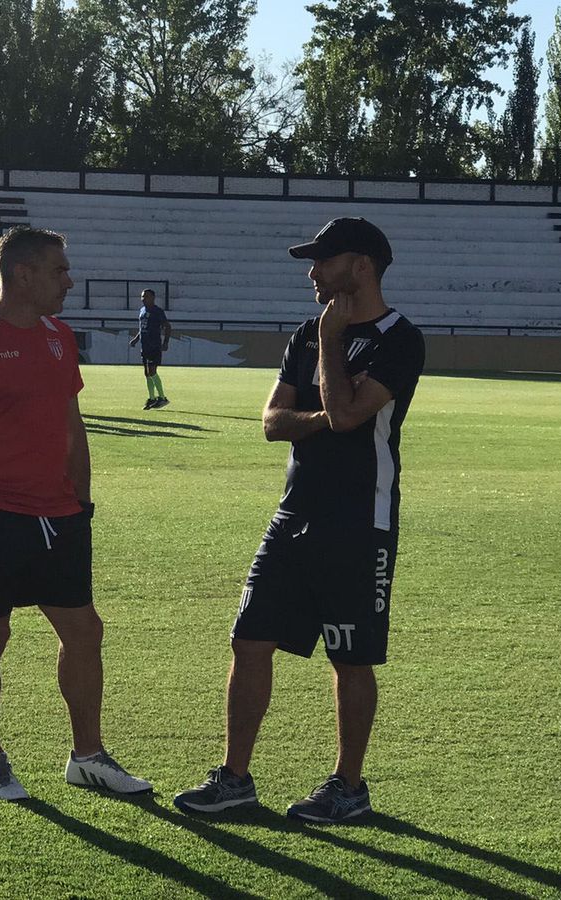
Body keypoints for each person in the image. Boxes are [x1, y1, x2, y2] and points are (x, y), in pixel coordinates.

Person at [174, 217, 425, 824]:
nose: (312, 271)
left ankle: (348, 787)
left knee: (351, 656)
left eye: (323, 260)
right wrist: (321, 407)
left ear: (360, 265)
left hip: (359, 519)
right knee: (249, 639)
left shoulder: (399, 337)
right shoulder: (306, 334)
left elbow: (345, 413)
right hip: (294, 513)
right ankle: (234, 779)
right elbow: (273, 422)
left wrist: (332, 350)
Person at [0, 226, 151, 801]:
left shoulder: (58, 336)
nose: (69, 280)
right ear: (23, 275)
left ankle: (87, 756)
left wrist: (80, 504)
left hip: (60, 516)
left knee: (84, 631)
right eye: (59, 270)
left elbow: (72, 426)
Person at [128, 289, 171, 409]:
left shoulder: (157, 311)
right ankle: (152, 399)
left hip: (154, 345)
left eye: (146, 296)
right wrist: (136, 339)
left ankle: (162, 398)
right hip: (144, 345)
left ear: (153, 297)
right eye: (142, 297)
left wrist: (166, 342)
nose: (143, 299)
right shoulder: (142, 311)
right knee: (147, 373)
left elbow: (167, 326)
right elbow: (142, 328)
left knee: (152, 371)